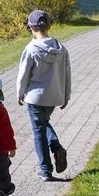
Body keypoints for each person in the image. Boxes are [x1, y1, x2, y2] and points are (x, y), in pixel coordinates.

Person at [16, 9, 72, 180]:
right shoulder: (61, 49)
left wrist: (19, 93)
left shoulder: (31, 49)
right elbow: (67, 74)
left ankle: (45, 170)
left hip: (35, 97)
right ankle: (56, 149)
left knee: (38, 131)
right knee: (43, 123)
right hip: (53, 97)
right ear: (49, 26)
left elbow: (23, 74)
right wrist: (66, 96)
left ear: (31, 28)